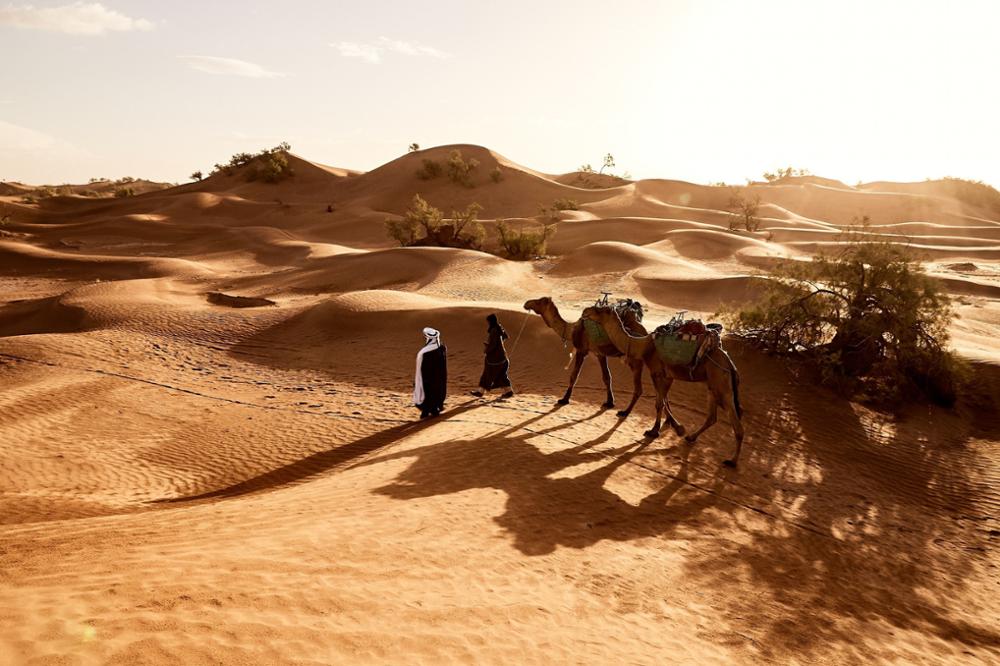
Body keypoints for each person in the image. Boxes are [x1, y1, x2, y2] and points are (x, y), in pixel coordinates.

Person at [472, 313, 514, 399]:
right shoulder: (499, 328)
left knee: (487, 374)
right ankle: (509, 392)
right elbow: (505, 336)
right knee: (502, 375)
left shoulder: (494, 330)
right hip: (503, 357)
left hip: (495, 359)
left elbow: (493, 344)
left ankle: (480, 391)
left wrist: (487, 349)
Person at [413, 327, 447, 419]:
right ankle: (434, 409)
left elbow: (425, 366)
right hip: (439, 377)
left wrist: (421, 378)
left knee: (427, 393)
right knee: (436, 392)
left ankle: (427, 411)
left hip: (428, 377)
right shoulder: (442, 348)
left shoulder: (426, 352)